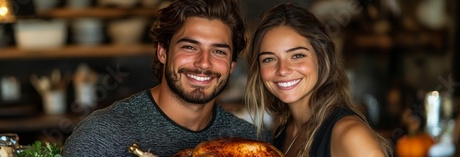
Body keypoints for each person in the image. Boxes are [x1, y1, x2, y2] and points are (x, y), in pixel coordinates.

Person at [62, 0, 267, 156]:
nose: (204, 63)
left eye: (219, 51)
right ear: (162, 52)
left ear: (231, 65)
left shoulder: (252, 144)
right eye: (189, 47)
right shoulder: (103, 134)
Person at [244, 3, 392, 157]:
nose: (282, 69)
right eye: (269, 59)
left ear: (321, 58)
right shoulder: (283, 133)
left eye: (297, 56)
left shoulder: (350, 134)